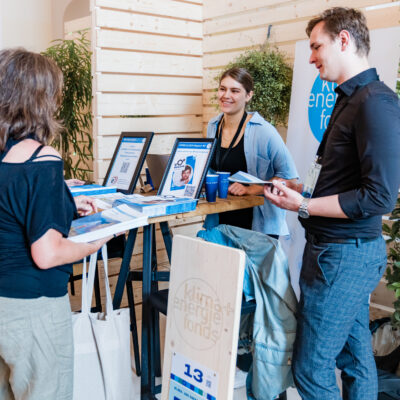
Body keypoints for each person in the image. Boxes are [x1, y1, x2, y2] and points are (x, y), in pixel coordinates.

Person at [264, 7, 400, 400]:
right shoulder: (349, 98)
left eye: (316, 46)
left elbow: (379, 196)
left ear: (343, 40)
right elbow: (340, 176)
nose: (310, 57)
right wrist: (299, 190)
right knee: (356, 359)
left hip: (344, 258)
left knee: (309, 369)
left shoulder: (376, 102)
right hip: (335, 254)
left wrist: (302, 207)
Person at [0, 48, 112, 400]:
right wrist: (98, 239)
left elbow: (12, 206)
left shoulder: (5, 154)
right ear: (40, 98)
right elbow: (47, 254)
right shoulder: (41, 158)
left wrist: (65, 202)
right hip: (33, 308)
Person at [207, 67, 298, 236]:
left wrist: (252, 189)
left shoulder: (263, 130)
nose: (226, 95)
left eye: (234, 91)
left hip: (257, 225)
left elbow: (289, 177)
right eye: (222, 89)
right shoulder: (213, 126)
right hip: (221, 219)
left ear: (248, 96)